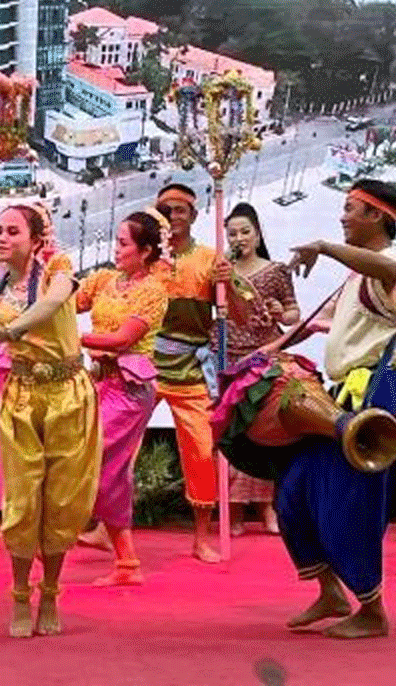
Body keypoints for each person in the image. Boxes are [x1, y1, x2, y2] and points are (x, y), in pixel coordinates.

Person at [0, 202, 98, 638]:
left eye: (12, 231)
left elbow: (52, 304)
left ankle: (50, 592)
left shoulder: (58, 272)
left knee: (63, 501)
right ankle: (18, 594)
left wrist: (11, 332)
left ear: (36, 241)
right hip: (20, 397)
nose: (1, 238)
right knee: (22, 502)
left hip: (69, 395)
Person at [274, 179, 396, 639]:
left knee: (352, 501)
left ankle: (373, 609)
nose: (341, 216)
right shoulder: (359, 279)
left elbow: (378, 265)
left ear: (376, 216)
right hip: (341, 394)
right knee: (293, 491)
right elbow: (329, 327)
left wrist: (324, 247)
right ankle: (330, 591)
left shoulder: (394, 263)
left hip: (376, 391)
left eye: (350, 209)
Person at [73, 210, 170, 586]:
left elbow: (122, 340)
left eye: (124, 243)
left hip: (130, 390)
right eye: (116, 241)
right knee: (105, 470)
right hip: (98, 384)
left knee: (96, 464)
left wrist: (74, 340)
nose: (116, 250)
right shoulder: (103, 281)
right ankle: (127, 562)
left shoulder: (153, 293)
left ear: (145, 251)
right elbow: (64, 301)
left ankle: (59, 541)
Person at [150, 184, 222, 562]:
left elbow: (238, 314)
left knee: (201, 452)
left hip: (191, 371)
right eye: (165, 210)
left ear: (193, 216)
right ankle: (103, 524)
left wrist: (226, 284)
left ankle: (201, 538)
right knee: (116, 448)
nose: (172, 216)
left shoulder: (211, 260)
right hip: (145, 368)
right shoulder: (145, 261)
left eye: (180, 210)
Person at [219, 203, 300, 536]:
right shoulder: (221, 273)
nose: (239, 238)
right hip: (227, 358)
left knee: (265, 433)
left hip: (265, 359)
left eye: (245, 231)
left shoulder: (275, 271)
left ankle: (268, 509)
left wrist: (282, 311)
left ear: (258, 233)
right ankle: (233, 512)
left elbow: (295, 314)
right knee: (232, 435)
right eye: (232, 233)